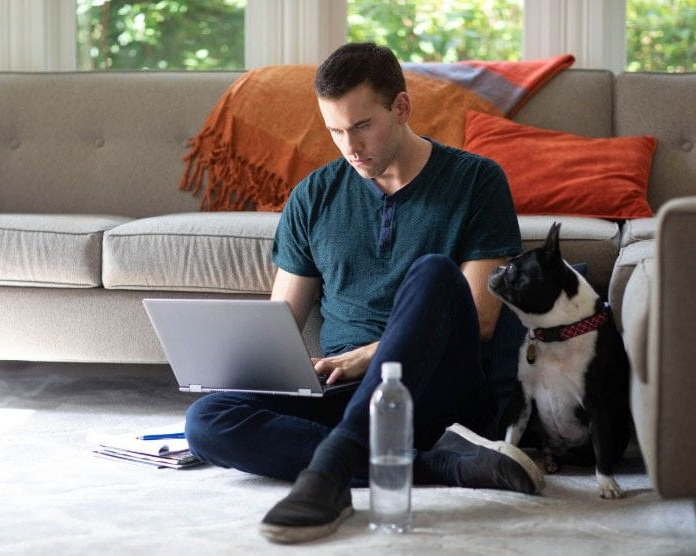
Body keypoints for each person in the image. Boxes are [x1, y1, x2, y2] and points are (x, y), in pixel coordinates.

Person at [184, 42, 543, 544]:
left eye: (361, 126)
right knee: (206, 421)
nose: (350, 146)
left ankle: (331, 469)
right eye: (335, 131)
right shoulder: (313, 195)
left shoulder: (476, 181)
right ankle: (438, 465)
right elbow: (281, 322)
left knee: (435, 273)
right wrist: (241, 362)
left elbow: (482, 318)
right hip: (347, 392)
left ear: (400, 107)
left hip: (439, 388)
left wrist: (365, 357)